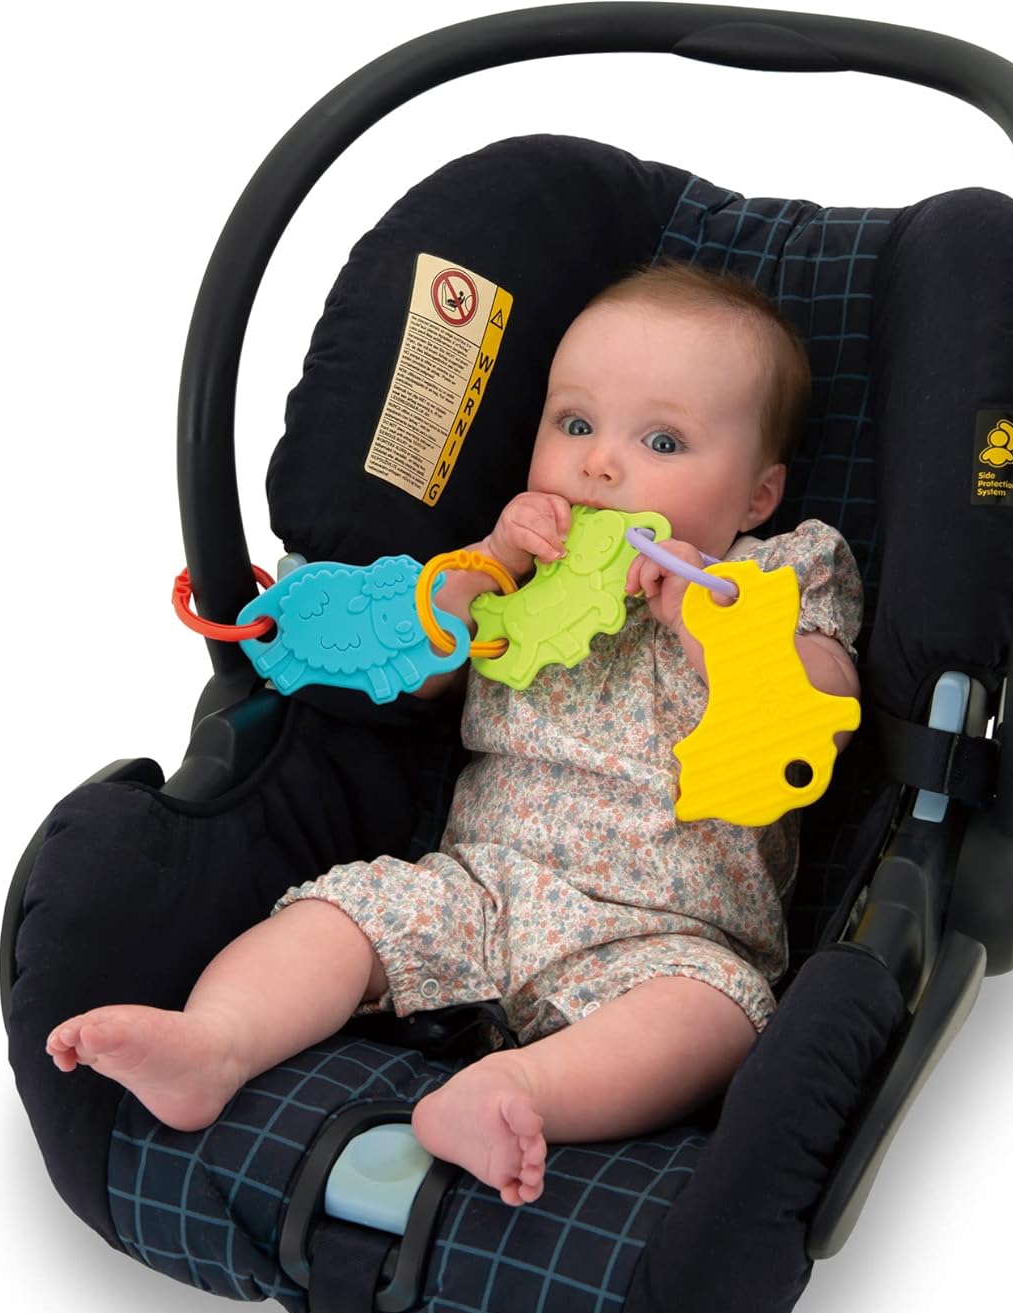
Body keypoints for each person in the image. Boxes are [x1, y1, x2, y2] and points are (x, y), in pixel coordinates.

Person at [46, 262, 862, 1207]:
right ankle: (214, 1043)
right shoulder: (518, 566)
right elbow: (425, 668)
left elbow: (824, 705)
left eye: (663, 441)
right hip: (478, 889)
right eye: (575, 424)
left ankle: (511, 1092)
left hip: (670, 933)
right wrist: (486, 565)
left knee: (715, 1016)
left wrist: (707, 623)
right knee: (339, 913)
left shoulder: (776, 573)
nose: (600, 465)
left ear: (757, 495)